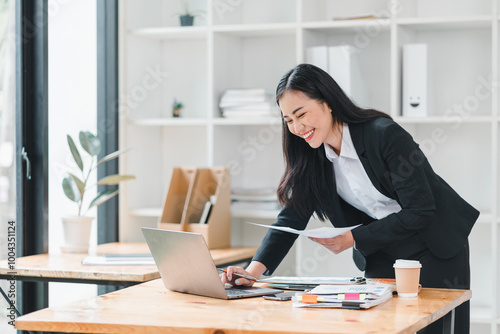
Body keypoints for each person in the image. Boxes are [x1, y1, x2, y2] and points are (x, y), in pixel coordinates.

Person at [220, 63, 478, 334]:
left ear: (328, 103)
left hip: (434, 244)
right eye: (288, 120)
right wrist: (253, 272)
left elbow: (421, 209)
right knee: (381, 327)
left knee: (437, 328)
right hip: (383, 250)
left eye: (301, 114)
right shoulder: (313, 156)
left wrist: (353, 239)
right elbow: (291, 218)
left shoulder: (384, 135)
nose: (297, 127)